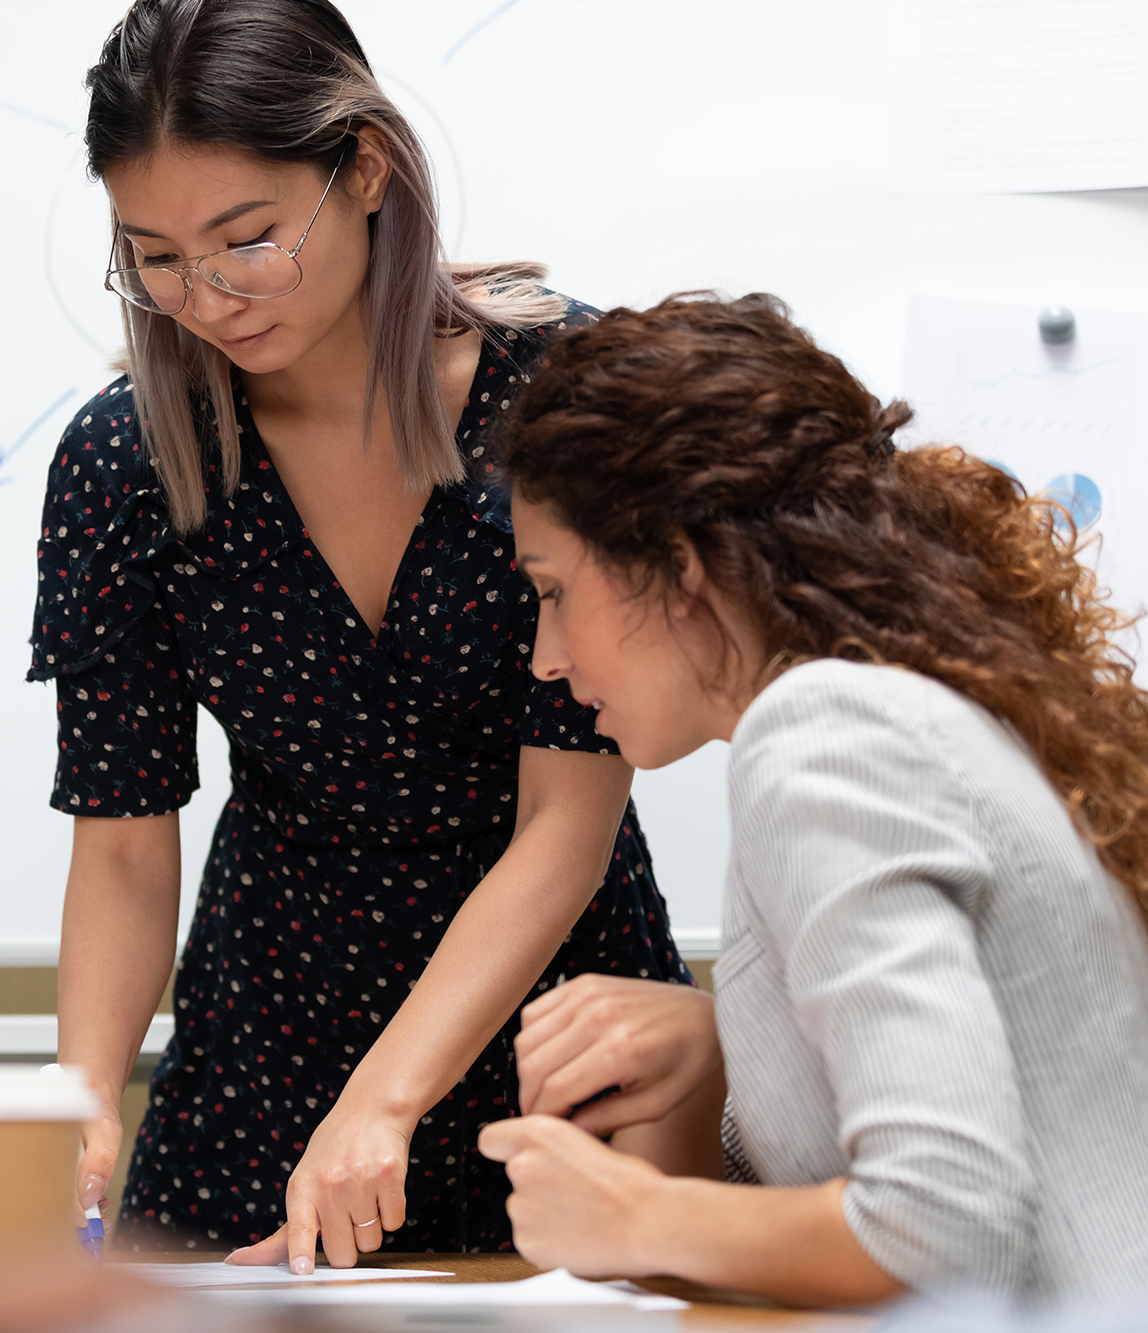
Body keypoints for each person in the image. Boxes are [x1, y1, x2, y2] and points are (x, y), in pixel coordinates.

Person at [28, 0, 689, 1268]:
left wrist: (384, 1101)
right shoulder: (124, 462)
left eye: (247, 239)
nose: (205, 296)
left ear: (366, 169)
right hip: (265, 1044)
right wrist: (84, 1094)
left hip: (554, 1011)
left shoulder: (556, 392)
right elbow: (119, 842)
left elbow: (568, 816)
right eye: (154, 256)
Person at [477, 292, 1148, 1304]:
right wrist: (707, 1059)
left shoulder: (820, 733)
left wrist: (629, 1212)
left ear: (676, 563)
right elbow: (836, 1203)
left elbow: (940, 1227)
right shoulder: (886, 708)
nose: (545, 658)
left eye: (553, 590)